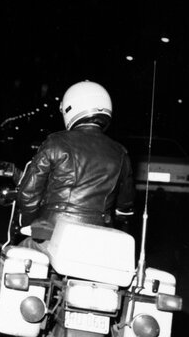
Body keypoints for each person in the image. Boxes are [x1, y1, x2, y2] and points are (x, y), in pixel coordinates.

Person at [16, 80, 135, 237]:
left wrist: (29, 224)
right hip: (99, 235)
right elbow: (125, 207)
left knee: (18, 253)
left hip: (54, 231)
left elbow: (28, 194)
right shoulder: (120, 152)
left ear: (69, 108)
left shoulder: (55, 142)